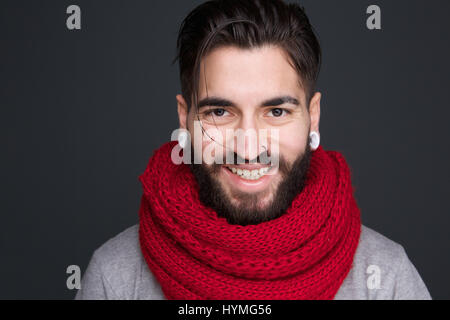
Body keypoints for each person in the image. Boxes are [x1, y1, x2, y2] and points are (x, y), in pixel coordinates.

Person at [76, 0, 431, 300]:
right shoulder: (114, 279)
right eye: (219, 112)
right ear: (185, 119)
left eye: (276, 112)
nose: (248, 149)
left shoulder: (386, 278)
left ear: (314, 116)